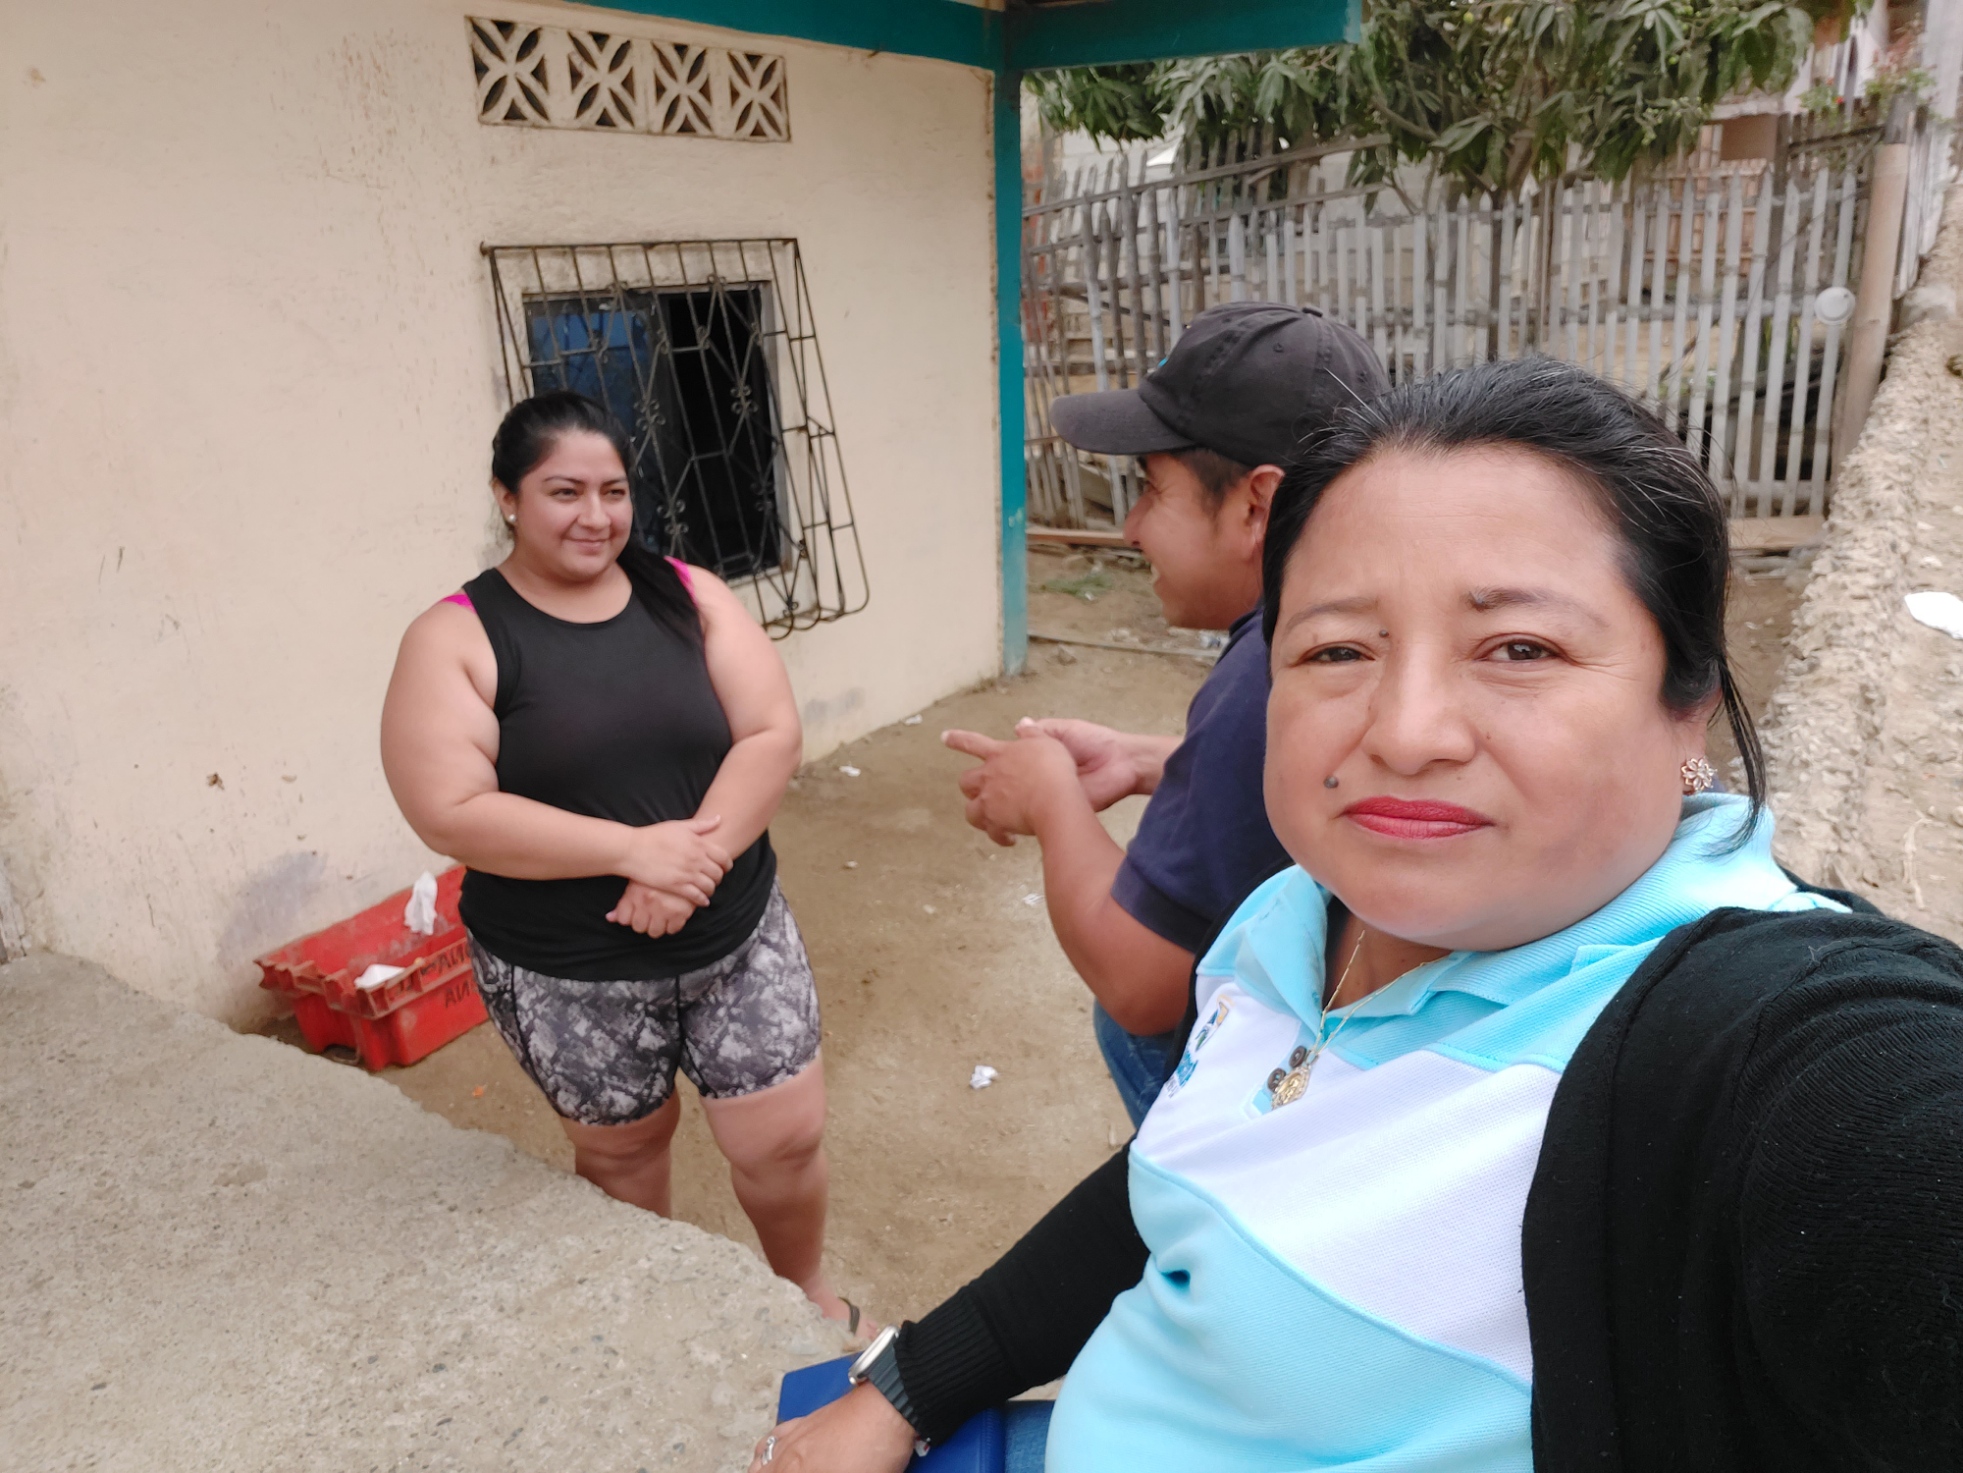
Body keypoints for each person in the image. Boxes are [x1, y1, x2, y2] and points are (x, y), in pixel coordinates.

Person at [751, 358, 1963, 1471]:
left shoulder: (1753, 1045)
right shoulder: (1294, 915)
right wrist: (911, 1383)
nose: (1405, 731)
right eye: (1336, 651)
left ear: (1685, 697)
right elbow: (1188, 1173)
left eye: (1519, 648)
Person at [380, 391, 861, 1330]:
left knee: (783, 1141)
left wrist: (690, 864)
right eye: (564, 491)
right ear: (507, 497)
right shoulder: (456, 637)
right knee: (623, 1156)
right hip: (569, 969)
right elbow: (451, 809)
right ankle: (662, 1327)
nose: (595, 516)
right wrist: (635, 850)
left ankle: (804, 1296)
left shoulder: (687, 594)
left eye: (613, 490)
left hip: (733, 934)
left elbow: (769, 731)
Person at [945, 302, 1387, 1124]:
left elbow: (1138, 983)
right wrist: (1149, 759)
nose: (1130, 527)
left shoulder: (1263, 677)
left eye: (1152, 490)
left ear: (1256, 507)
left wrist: (1049, 796)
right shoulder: (1371, 630)